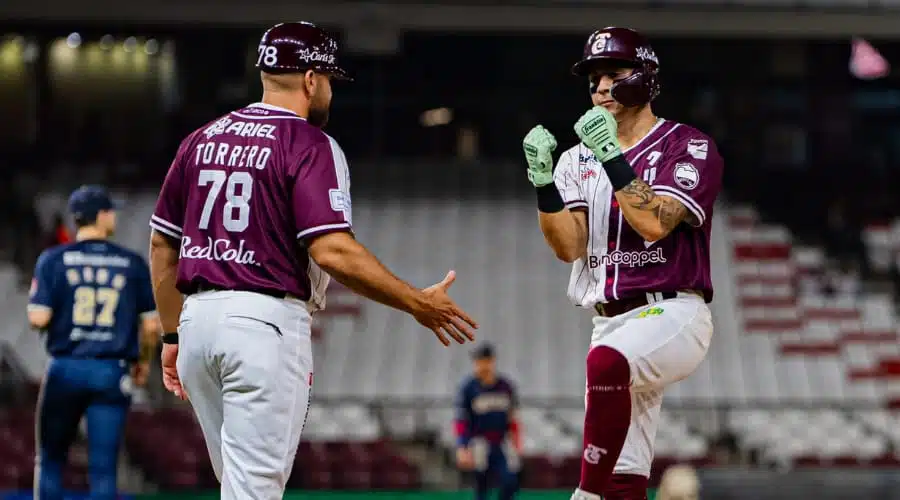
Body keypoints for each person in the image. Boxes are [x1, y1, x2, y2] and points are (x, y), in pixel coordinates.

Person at [148, 21, 477, 500]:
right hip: (263, 324)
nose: (328, 92)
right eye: (327, 80)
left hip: (198, 322)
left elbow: (162, 247)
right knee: (255, 489)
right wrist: (416, 303)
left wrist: (173, 333)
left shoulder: (200, 140)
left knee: (237, 485)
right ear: (310, 79)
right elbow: (332, 249)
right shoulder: (309, 143)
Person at [521, 27, 723, 500]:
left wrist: (612, 154)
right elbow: (567, 246)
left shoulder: (686, 146)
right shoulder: (576, 157)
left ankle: (584, 496)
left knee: (607, 364)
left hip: (673, 311)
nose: (600, 87)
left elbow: (655, 224)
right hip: (610, 320)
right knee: (625, 478)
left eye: (613, 73)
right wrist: (543, 182)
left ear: (645, 78)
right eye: (592, 77)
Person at [27, 185, 159, 500]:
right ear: (99, 215)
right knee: (103, 469)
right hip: (111, 371)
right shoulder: (132, 262)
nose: (113, 216)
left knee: (51, 460)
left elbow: (38, 318)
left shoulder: (53, 260)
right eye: (109, 211)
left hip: (66, 368)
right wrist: (141, 363)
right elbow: (152, 325)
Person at [454, 344, 521, 500]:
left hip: (502, 442)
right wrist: (462, 447)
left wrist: (517, 441)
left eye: (484, 360)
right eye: (477, 361)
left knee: (510, 481)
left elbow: (513, 417)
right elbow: (461, 420)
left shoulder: (505, 386)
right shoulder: (469, 388)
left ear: (492, 361)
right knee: (481, 486)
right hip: (479, 443)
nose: (481, 365)